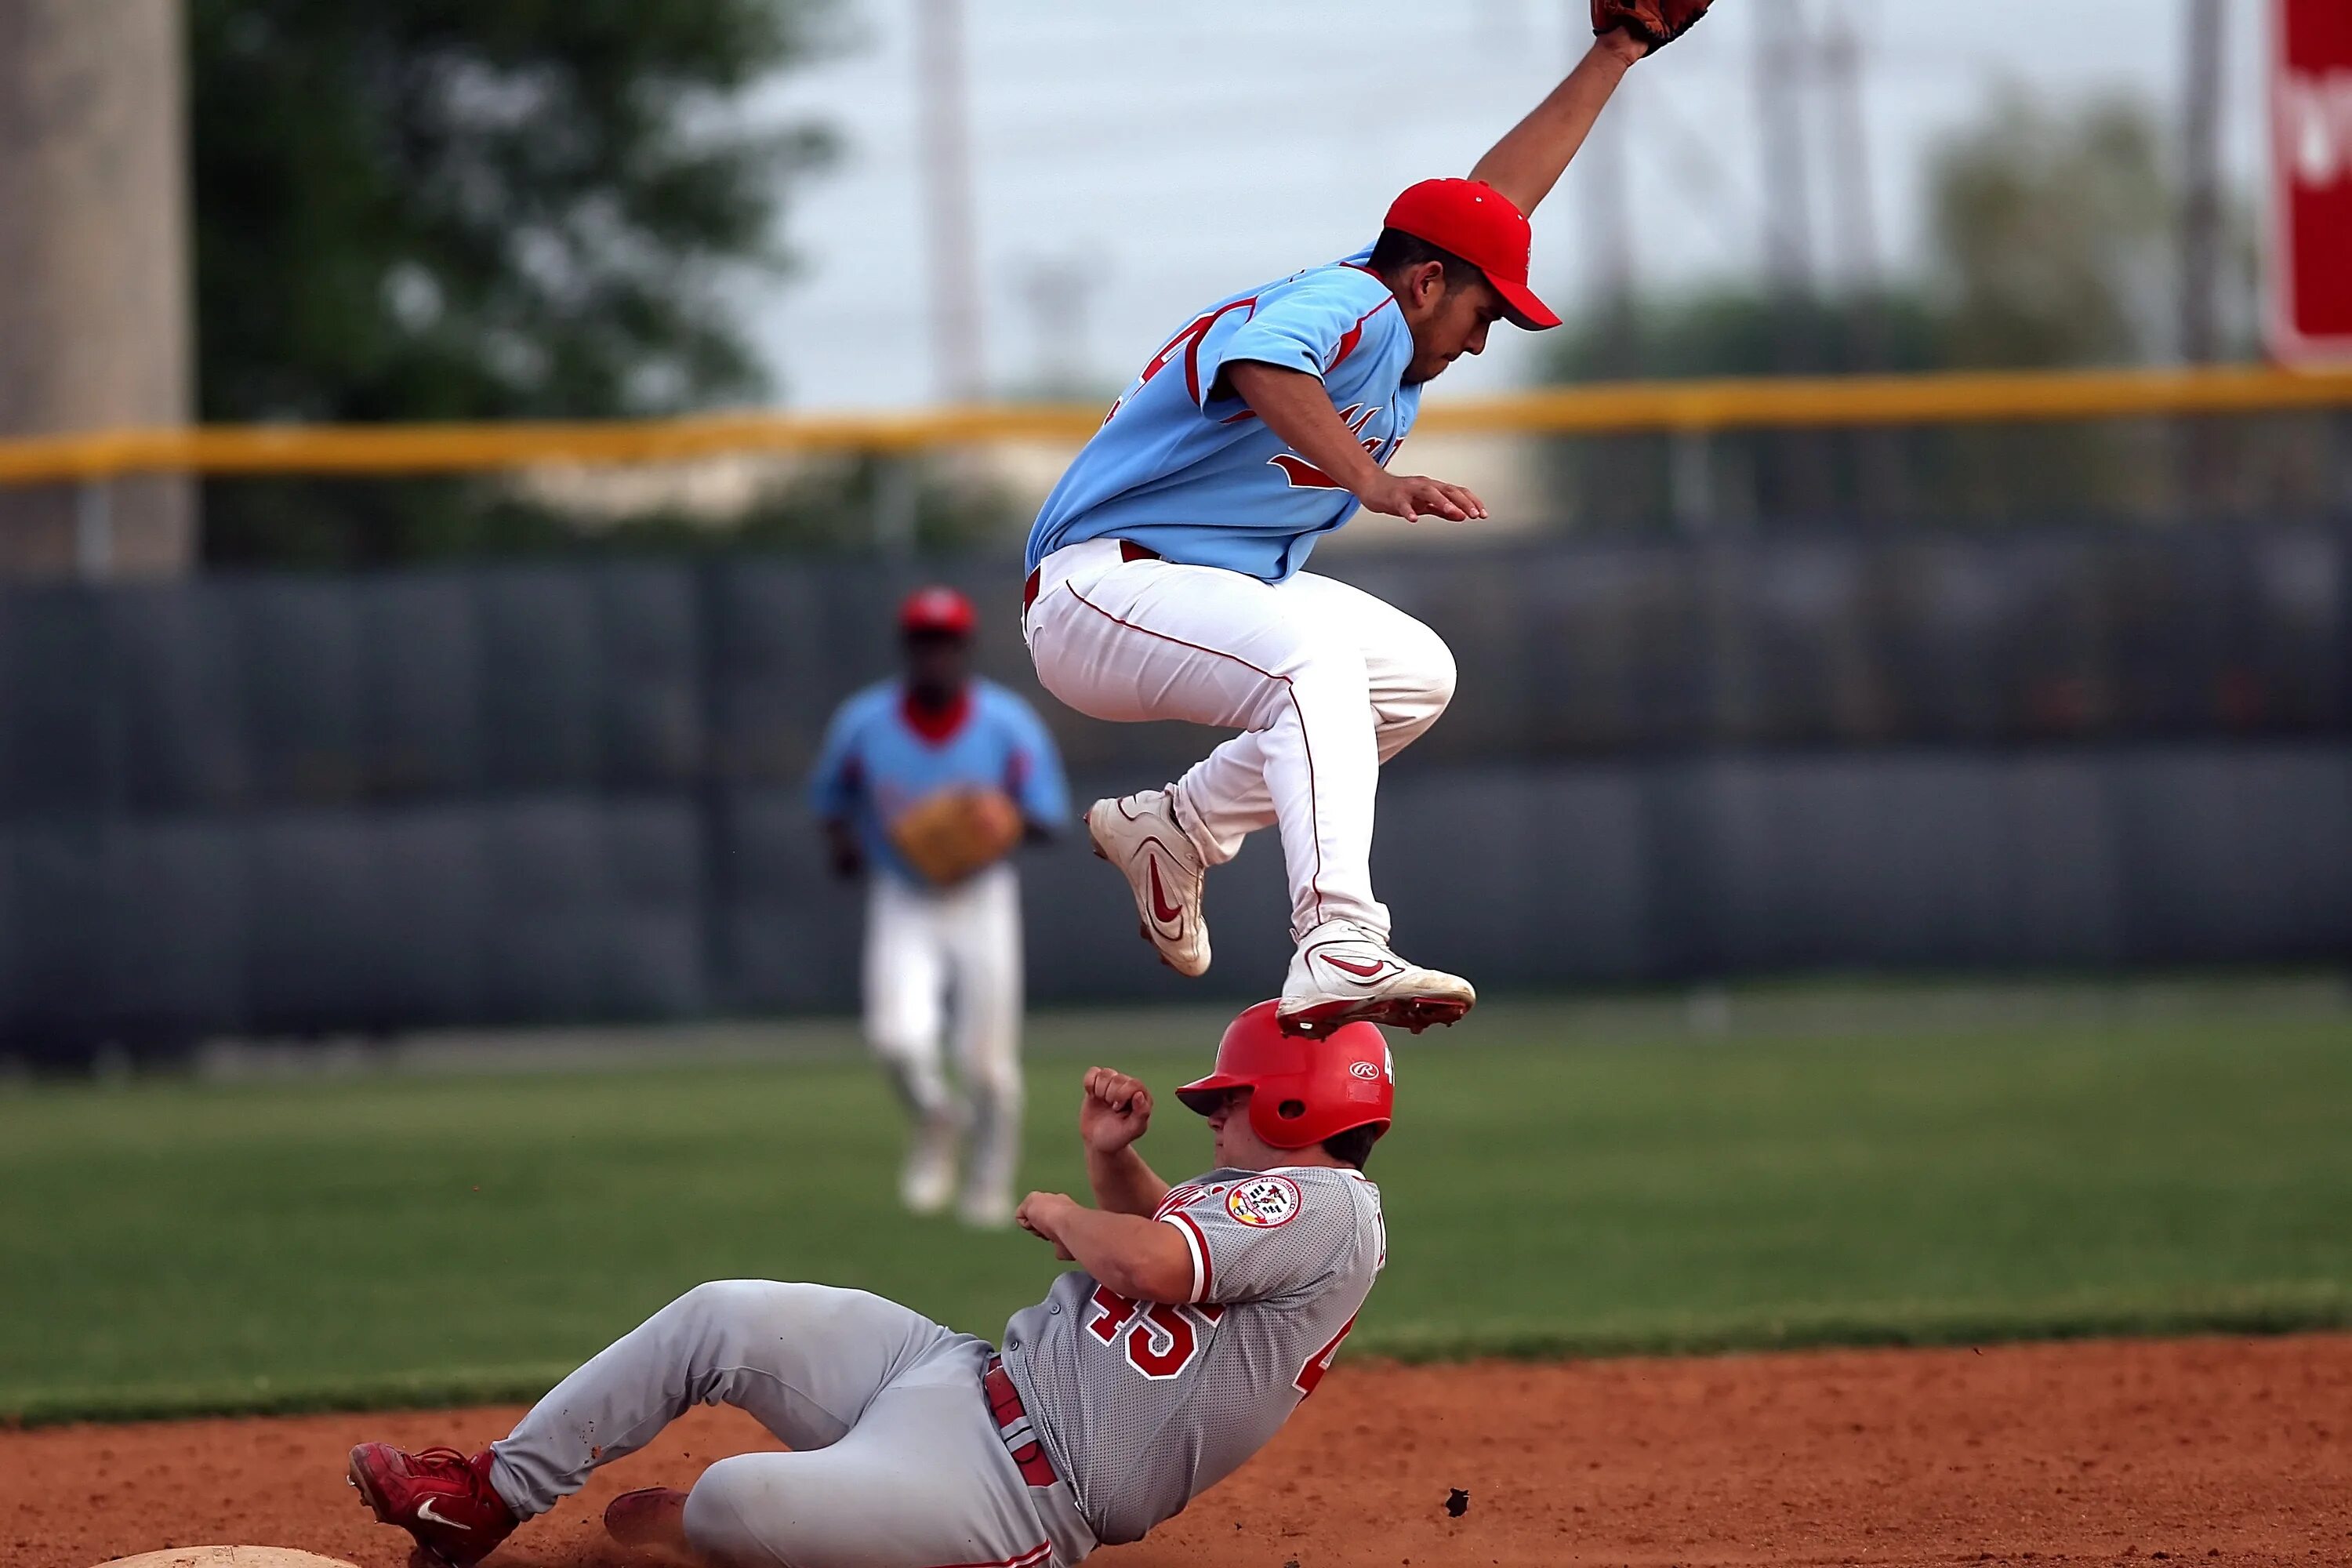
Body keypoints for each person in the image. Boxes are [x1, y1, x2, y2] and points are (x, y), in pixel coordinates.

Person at [1020, 24, 1670, 1036]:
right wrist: (1372, 479)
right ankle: (1338, 939)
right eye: (1483, 315)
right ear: (1423, 286)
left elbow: (1492, 206)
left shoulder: (1395, 299)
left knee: (1413, 676)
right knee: (1311, 661)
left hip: (1204, 580)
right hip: (1101, 592)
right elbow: (1262, 366)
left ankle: (1178, 826)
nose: (1481, 338)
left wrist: (1617, 54)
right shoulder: (1353, 301)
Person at [347, 1001, 1395, 1568]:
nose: (1214, 1112)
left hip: (1015, 1495)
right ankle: (483, 1499)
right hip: (957, 1377)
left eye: (1233, 1095)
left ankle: (732, 1533)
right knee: (721, 1314)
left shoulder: (1327, 1207)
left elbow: (1150, 1262)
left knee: (732, 1501)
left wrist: (1069, 1213)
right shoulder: (1271, 1204)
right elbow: (1174, 1250)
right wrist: (1113, 1161)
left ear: (1301, 1105)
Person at [808, 586, 1071, 1227]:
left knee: (988, 1067)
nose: (935, 655)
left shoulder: (1006, 723)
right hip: (904, 894)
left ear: (964, 647)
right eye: (924, 642)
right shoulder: (864, 722)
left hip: (982, 895)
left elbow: (1049, 818)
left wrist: (998, 823)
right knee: (896, 1040)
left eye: (945, 643)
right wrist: (844, 848)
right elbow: (832, 802)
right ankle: (935, 1120)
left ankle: (987, 1184)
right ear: (908, 648)